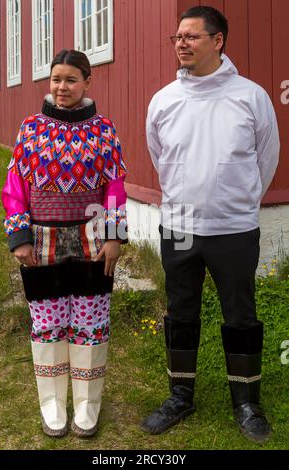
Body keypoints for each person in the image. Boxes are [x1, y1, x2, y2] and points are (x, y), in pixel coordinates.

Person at [141, 6, 280, 443]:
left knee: (241, 314)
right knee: (180, 311)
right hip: (180, 226)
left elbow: (266, 159)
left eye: (191, 36)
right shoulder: (164, 100)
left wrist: (236, 202)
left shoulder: (251, 96)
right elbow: (159, 157)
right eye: (176, 37)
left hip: (234, 228)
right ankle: (180, 395)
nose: (180, 43)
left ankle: (246, 402)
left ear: (217, 41)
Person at [2, 49, 127, 438]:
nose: (62, 87)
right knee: (47, 324)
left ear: (88, 82)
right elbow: (14, 188)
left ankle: (87, 407)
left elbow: (115, 188)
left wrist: (114, 236)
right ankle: (53, 406)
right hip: (42, 244)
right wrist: (19, 237)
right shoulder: (31, 129)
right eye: (56, 79)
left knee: (90, 324)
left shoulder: (104, 130)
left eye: (71, 79)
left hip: (93, 244)